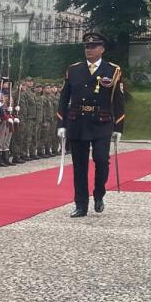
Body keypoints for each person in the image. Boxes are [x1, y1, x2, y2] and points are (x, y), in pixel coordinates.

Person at [57, 31, 125, 216]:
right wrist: (61, 124)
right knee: (79, 166)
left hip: (101, 122)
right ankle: (80, 204)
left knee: (101, 160)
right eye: (87, 46)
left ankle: (99, 194)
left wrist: (118, 127)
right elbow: (64, 98)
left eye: (93, 46)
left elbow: (118, 100)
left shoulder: (113, 70)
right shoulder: (74, 69)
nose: (89, 49)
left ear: (102, 49)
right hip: (77, 122)